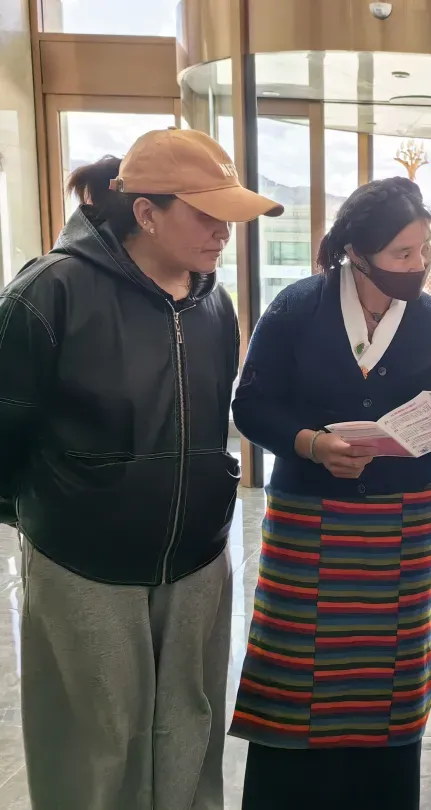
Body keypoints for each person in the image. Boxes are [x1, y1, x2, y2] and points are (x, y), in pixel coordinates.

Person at [0, 128, 283, 809]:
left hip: (195, 560)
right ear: (147, 212)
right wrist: (64, 512)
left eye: (229, 218)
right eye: (207, 215)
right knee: (95, 745)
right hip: (83, 563)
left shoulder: (213, 303)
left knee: (189, 727)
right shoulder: (49, 292)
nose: (223, 233)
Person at [229, 176, 431, 810]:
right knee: (294, 667)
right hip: (309, 522)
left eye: (423, 250)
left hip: (405, 527)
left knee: (392, 677)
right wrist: (312, 444)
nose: (418, 265)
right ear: (357, 253)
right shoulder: (297, 309)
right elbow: (251, 406)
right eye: (403, 253)